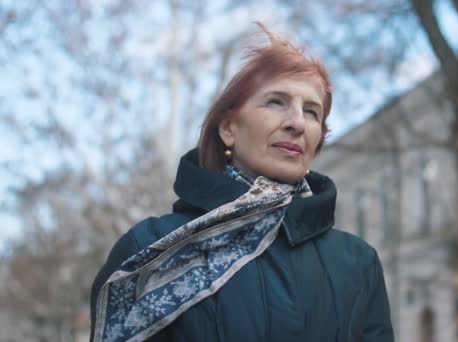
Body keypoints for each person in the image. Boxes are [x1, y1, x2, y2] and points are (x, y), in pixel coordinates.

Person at [90, 24, 394, 342]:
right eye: (276, 102)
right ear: (229, 129)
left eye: (312, 112)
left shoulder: (358, 262)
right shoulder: (148, 249)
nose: (296, 123)